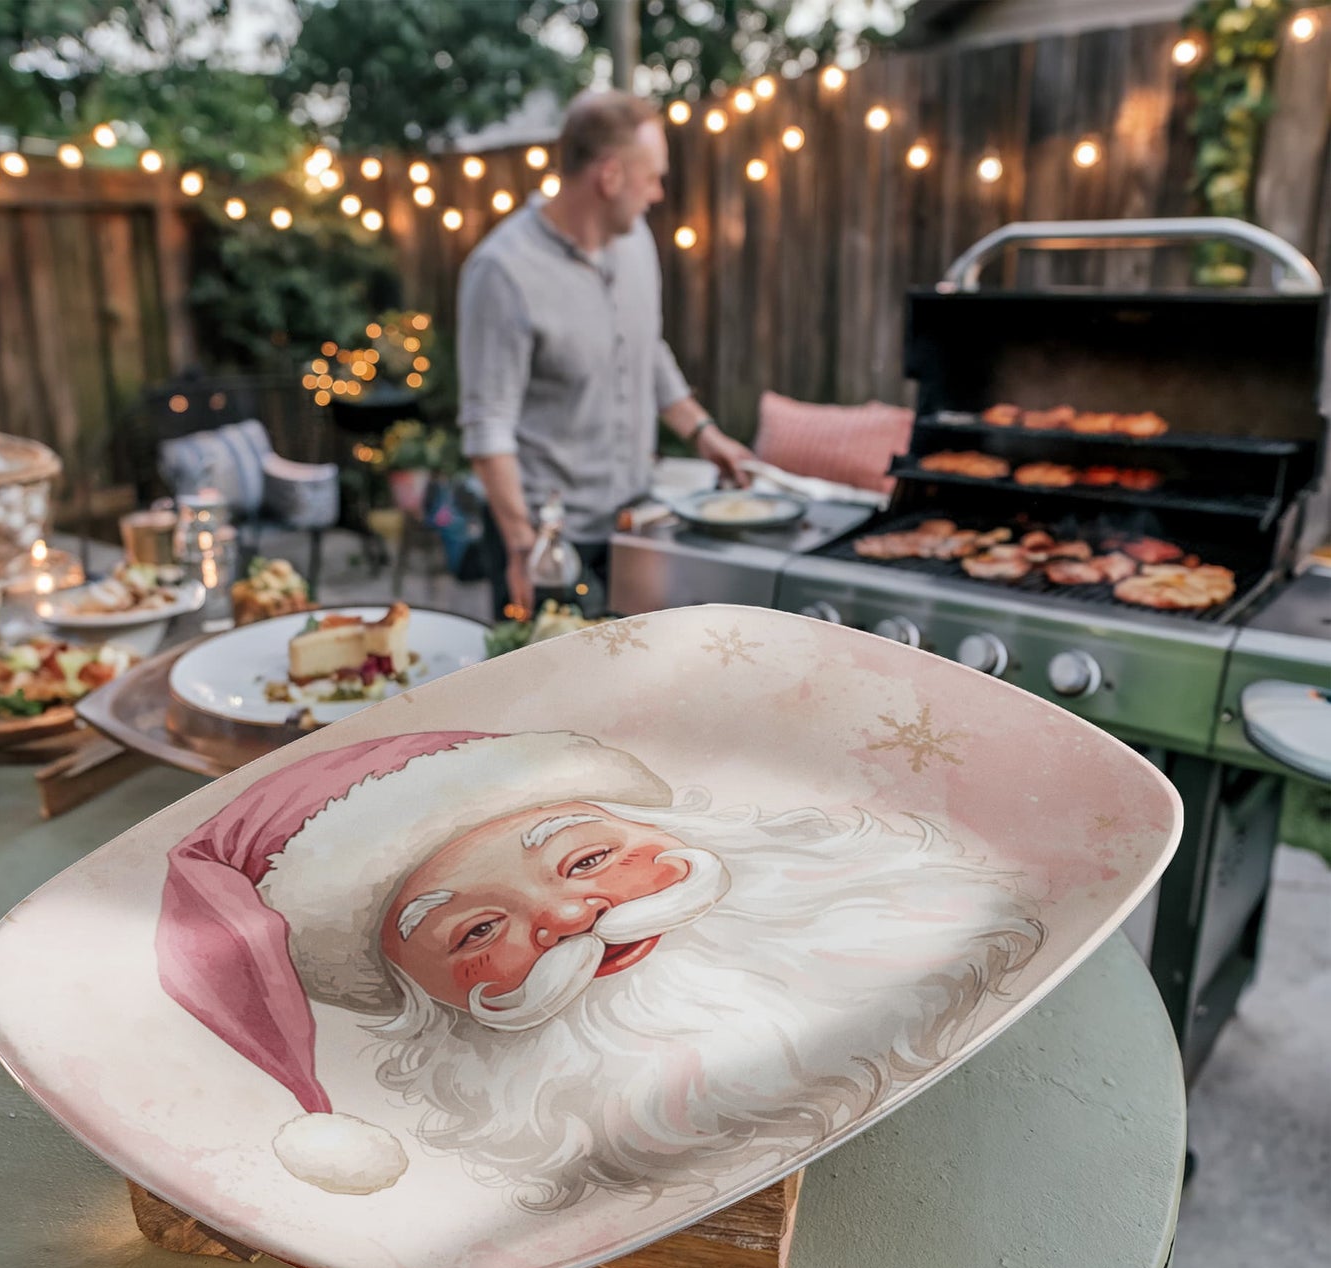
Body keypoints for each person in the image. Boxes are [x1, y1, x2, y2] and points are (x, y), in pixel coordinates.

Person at [156, 730, 1044, 1210]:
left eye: (585, 860)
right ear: (420, 1004)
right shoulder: (521, 1161)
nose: (570, 917)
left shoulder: (905, 914)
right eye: (475, 931)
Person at [457, 90, 755, 618]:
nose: (659, 193)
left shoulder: (637, 240)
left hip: (631, 529)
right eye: (652, 177)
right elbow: (487, 428)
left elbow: (647, 346)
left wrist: (704, 433)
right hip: (547, 545)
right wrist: (524, 547)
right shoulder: (503, 272)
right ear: (610, 176)